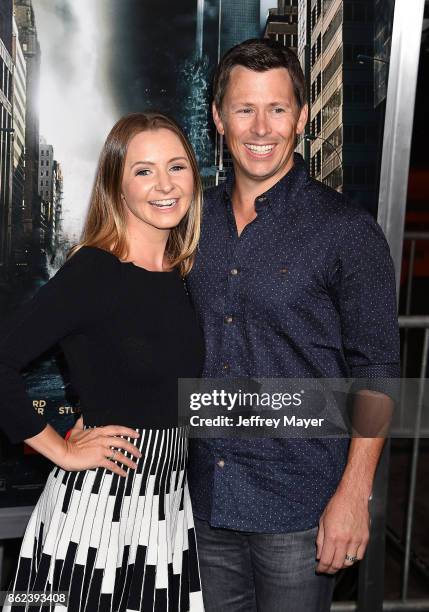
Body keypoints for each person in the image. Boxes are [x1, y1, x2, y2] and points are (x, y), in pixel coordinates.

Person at [186, 39, 400, 612]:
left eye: (277, 109)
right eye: (244, 108)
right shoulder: (189, 222)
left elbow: (378, 370)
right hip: (202, 502)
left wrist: (356, 493)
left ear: (302, 118)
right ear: (217, 117)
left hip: (301, 510)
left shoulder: (348, 233)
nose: (261, 127)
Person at [0, 112, 205, 612]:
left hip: (166, 511)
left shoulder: (185, 273)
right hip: (93, 513)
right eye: (144, 170)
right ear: (117, 184)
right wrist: (62, 451)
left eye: (177, 167)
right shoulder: (94, 270)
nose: (164, 184)